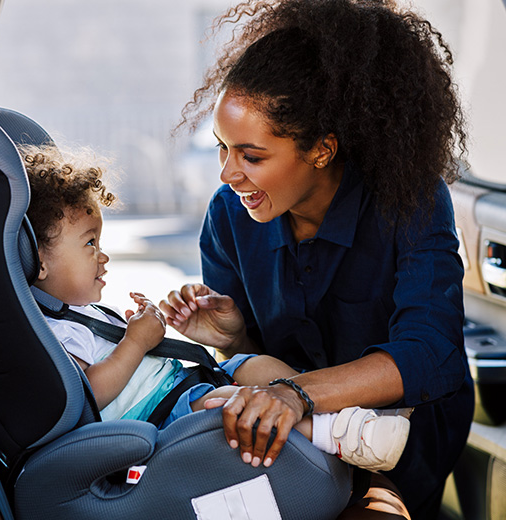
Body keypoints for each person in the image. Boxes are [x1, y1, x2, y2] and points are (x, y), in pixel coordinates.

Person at [159, 1, 474, 519]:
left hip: (398, 446)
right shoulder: (229, 217)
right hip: (292, 446)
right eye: (222, 148)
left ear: (322, 150)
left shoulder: (409, 200)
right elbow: (257, 370)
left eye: (251, 156)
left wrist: (295, 393)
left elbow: (431, 353)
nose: (227, 175)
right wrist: (234, 340)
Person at [22, 143, 410, 473]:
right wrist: (135, 343)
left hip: (182, 386)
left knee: (253, 364)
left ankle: (340, 414)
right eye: (90, 244)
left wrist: (138, 331)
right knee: (228, 404)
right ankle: (338, 437)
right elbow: (88, 394)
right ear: (37, 260)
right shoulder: (50, 332)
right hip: (158, 416)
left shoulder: (82, 315)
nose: (103, 256)